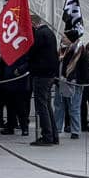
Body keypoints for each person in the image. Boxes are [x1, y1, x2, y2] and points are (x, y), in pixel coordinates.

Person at [26, 15, 60, 146]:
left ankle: (47, 135)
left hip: (41, 74)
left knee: (42, 106)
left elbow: (32, 52)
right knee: (46, 105)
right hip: (49, 74)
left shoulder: (39, 34)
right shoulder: (49, 33)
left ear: (33, 23)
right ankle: (53, 135)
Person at [54, 29, 84, 139]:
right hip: (60, 82)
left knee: (74, 108)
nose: (63, 38)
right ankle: (57, 128)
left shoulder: (79, 50)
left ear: (71, 39)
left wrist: (78, 81)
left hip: (73, 83)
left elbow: (84, 69)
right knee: (58, 106)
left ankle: (75, 131)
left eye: (65, 37)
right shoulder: (62, 50)